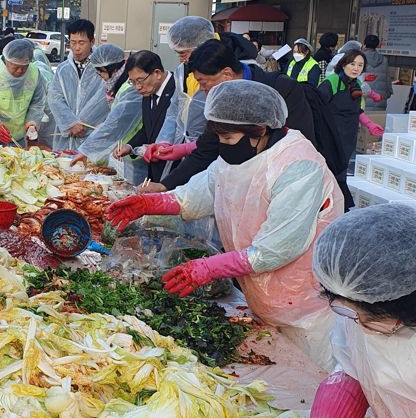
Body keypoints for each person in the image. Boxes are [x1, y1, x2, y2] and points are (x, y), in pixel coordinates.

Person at [108, 79, 342, 362]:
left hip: (306, 308)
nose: (223, 146)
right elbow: (201, 193)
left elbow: (276, 248)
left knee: (304, 375)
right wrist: (150, 203)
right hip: (261, 296)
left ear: (260, 131)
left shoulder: (299, 167)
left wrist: (209, 267)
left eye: (228, 138)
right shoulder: (238, 157)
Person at [276, 204, 416, 418]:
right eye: (346, 311)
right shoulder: (358, 311)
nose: (357, 323)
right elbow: (353, 372)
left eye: (371, 318)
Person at [145, 38, 316, 193]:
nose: (202, 90)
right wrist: (164, 185)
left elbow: (300, 145)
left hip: (286, 186)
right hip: (240, 189)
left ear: (226, 74)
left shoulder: (281, 89)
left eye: (203, 83)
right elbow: (206, 149)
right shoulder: (222, 99)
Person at [319, 49, 384, 208]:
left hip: (348, 137)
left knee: (341, 172)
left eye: (360, 65)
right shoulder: (332, 82)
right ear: (343, 64)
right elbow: (317, 107)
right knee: (329, 173)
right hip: (330, 137)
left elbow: (357, 110)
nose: (356, 68)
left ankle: (337, 207)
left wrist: (369, 124)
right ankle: (329, 206)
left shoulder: (357, 84)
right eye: (352, 64)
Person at [72, 44, 144, 182]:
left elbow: (116, 123)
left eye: (101, 73)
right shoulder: (119, 84)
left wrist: (86, 150)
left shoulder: (130, 89)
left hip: (136, 150)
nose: (102, 78)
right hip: (125, 150)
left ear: (111, 69)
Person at [111, 50, 176, 184]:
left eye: (140, 81)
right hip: (154, 169)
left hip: (174, 170)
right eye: (133, 82)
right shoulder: (148, 92)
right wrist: (129, 146)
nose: (138, 87)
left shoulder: (177, 90)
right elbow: (148, 128)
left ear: (157, 73)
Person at [48, 18, 110, 153]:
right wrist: (70, 123)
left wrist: (82, 123)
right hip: (66, 135)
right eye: (73, 42)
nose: (76, 48)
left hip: (92, 133)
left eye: (82, 43)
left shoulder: (103, 68)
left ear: (92, 42)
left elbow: (104, 99)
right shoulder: (63, 69)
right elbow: (55, 98)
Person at [156, 16, 217, 153]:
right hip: (182, 143)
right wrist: (164, 141)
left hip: (210, 149)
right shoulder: (182, 71)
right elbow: (175, 108)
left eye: (183, 53)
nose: (181, 59)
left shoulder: (222, 70)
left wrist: (190, 147)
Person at [0, 37, 46, 146]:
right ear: (6, 60)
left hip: (17, 137)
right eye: (15, 66)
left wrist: (32, 122)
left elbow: (37, 103)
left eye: (24, 67)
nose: (20, 70)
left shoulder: (35, 73)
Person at [361, 34, 392, 115]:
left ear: (364, 44)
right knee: (377, 125)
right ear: (377, 45)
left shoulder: (360, 58)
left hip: (362, 100)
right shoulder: (384, 60)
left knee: (362, 125)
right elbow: (387, 79)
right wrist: (387, 94)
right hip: (380, 100)